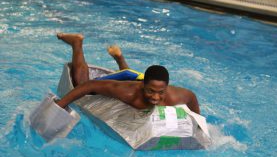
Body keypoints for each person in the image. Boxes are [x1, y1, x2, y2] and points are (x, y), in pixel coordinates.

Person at [55, 33, 201, 114]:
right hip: (128, 76)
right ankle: (76, 43)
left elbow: (192, 97)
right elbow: (90, 85)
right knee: (81, 84)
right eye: (151, 91)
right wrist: (60, 105)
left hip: (139, 77)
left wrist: (198, 123)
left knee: (138, 81)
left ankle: (119, 58)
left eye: (160, 92)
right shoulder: (128, 93)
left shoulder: (175, 95)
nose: (156, 97)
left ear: (167, 88)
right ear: (144, 86)